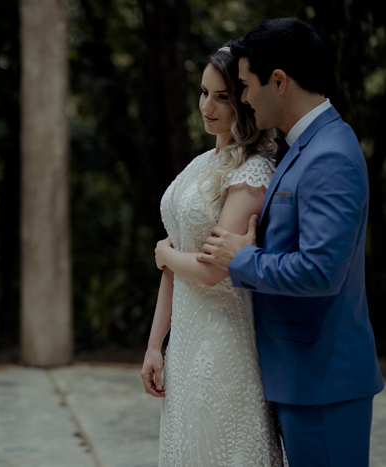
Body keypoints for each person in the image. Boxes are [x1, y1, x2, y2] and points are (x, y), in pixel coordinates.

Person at [196, 18, 384, 466]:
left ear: (278, 81)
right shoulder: (304, 146)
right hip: (300, 376)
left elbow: (321, 271)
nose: (242, 98)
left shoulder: (329, 155)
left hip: (322, 382)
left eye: (245, 86)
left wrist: (243, 258)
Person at [140, 46, 286, 465]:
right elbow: (177, 260)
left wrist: (165, 254)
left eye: (222, 97)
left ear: (245, 100)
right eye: (204, 93)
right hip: (185, 343)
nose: (207, 106)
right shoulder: (201, 163)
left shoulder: (252, 172)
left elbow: (211, 271)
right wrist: (155, 345)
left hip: (223, 343)